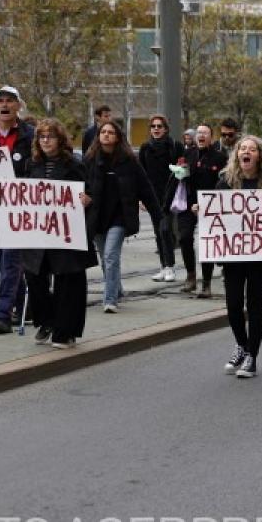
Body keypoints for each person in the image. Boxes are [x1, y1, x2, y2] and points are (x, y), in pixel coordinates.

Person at [23, 119, 97, 349]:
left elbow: (90, 191)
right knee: (34, 278)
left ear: (60, 139)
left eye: (51, 136)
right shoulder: (31, 164)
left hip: (67, 233)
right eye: (42, 137)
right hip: (38, 232)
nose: (46, 141)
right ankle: (47, 321)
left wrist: (87, 200)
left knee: (68, 282)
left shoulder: (74, 165)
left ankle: (65, 332)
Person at [214, 136, 262, 379]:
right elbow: (217, 214)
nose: (246, 152)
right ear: (237, 155)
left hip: (260, 259)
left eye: (252, 149)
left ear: (259, 156)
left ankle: (252, 356)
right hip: (233, 257)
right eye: (243, 149)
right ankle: (242, 345)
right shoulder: (225, 182)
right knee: (233, 305)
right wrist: (202, 210)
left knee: (254, 306)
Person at [83, 121, 161, 313]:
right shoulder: (90, 160)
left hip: (120, 217)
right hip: (97, 217)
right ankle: (117, 289)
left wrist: (158, 215)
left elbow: (145, 188)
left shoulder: (129, 161)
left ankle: (110, 300)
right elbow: (81, 184)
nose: (106, 135)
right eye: (103, 132)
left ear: (118, 137)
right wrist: (83, 197)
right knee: (105, 258)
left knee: (110, 256)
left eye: (110, 132)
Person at [0, 86, 35, 334]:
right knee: (1, 260)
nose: (4, 105)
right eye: (0, 101)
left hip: (19, 209)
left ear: (18, 106)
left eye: (9, 101)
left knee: (11, 260)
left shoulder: (30, 136)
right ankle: (24, 306)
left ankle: (2, 314)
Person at [163, 123, 227, 296]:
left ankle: (206, 283)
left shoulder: (220, 157)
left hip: (209, 205)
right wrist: (180, 173)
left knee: (207, 243)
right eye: (199, 132)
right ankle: (191, 276)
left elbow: (224, 182)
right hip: (188, 202)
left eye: (205, 133)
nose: (201, 135)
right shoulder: (188, 153)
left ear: (211, 137)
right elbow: (178, 177)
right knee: (184, 238)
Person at [138, 115, 185, 283]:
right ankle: (164, 267)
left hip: (171, 195)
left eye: (159, 126)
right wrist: (141, 198)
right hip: (152, 196)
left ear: (165, 129)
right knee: (158, 232)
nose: (156, 129)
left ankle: (170, 267)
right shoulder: (145, 148)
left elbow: (183, 169)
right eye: (153, 126)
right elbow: (141, 174)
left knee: (165, 230)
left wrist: (180, 171)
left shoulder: (175, 146)